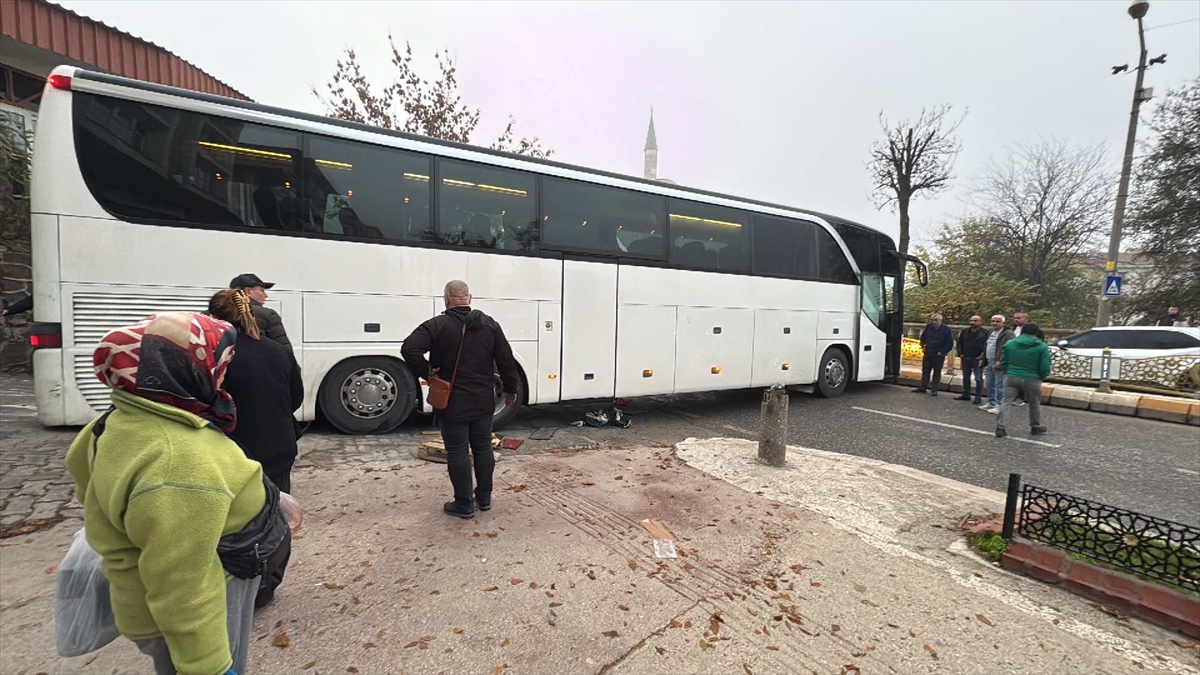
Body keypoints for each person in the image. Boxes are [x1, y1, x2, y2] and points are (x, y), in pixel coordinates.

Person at [65, 312, 272, 675]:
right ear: (180, 369)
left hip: (142, 600)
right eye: (219, 361)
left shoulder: (114, 422)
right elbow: (183, 582)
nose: (224, 371)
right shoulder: (178, 458)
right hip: (195, 615)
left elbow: (105, 497)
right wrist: (208, 665)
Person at [208, 289, 303, 610]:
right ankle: (268, 584)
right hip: (278, 444)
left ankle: (237, 584)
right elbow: (296, 397)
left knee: (235, 521)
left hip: (233, 452)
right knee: (276, 515)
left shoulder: (215, 358)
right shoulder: (277, 351)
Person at [401, 280, 520, 519]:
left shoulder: (436, 325)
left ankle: (464, 503)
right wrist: (510, 389)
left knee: (457, 451)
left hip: (451, 400)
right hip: (483, 399)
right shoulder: (490, 325)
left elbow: (409, 348)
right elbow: (506, 359)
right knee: (483, 447)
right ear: (470, 298)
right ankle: (484, 498)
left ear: (446, 299)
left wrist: (426, 372)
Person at [996, 322, 1051, 438]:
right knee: (1034, 403)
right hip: (1032, 377)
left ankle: (1001, 427)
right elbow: (1045, 366)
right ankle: (1035, 426)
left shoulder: (1010, 344)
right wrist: (1041, 376)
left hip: (1011, 376)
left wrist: (1009, 370)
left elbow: (1003, 362)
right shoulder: (1041, 346)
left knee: (1006, 401)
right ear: (1036, 332)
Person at [229, 273, 292, 352]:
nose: (265, 295)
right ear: (249, 291)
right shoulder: (268, 315)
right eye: (262, 290)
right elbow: (285, 350)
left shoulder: (212, 314)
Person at [979, 314, 1014, 414]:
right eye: (993, 321)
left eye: (998, 321)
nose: (995, 323)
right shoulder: (991, 332)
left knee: (999, 385)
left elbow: (1009, 348)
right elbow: (987, 346)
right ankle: (991, 402)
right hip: (989, 361)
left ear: (1003, 323)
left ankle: (1000, 405)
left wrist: (1002, 360)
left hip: (999, 362)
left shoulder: (1008, 334)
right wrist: (983, 357)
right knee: (990, 383)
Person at [913, 313, 954, 396]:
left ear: (941, 321)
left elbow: (949, 343)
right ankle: (923, 387)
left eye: (936, 320)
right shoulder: (929, 327)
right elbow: (923, 337)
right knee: (925, 370)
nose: (934, 322)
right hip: (928, 352)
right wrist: (922, 346)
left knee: (937, 372)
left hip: (938, 354)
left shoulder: (946, 330)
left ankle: (934, 389)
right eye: (933, 320)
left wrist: (942, 352)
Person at [955, 315, 989, 405]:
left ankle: (978, 396)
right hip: (966, 357)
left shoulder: (985, 332)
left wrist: (983, 355)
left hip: (978, 358)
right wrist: (960, 353)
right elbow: (960, 342)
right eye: (971, 320)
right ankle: (966, 394)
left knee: (978, 378)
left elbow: (987, 345)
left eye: (975, 321)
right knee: (966, 377)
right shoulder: (965, 331)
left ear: (980, 322)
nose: (972, 322)